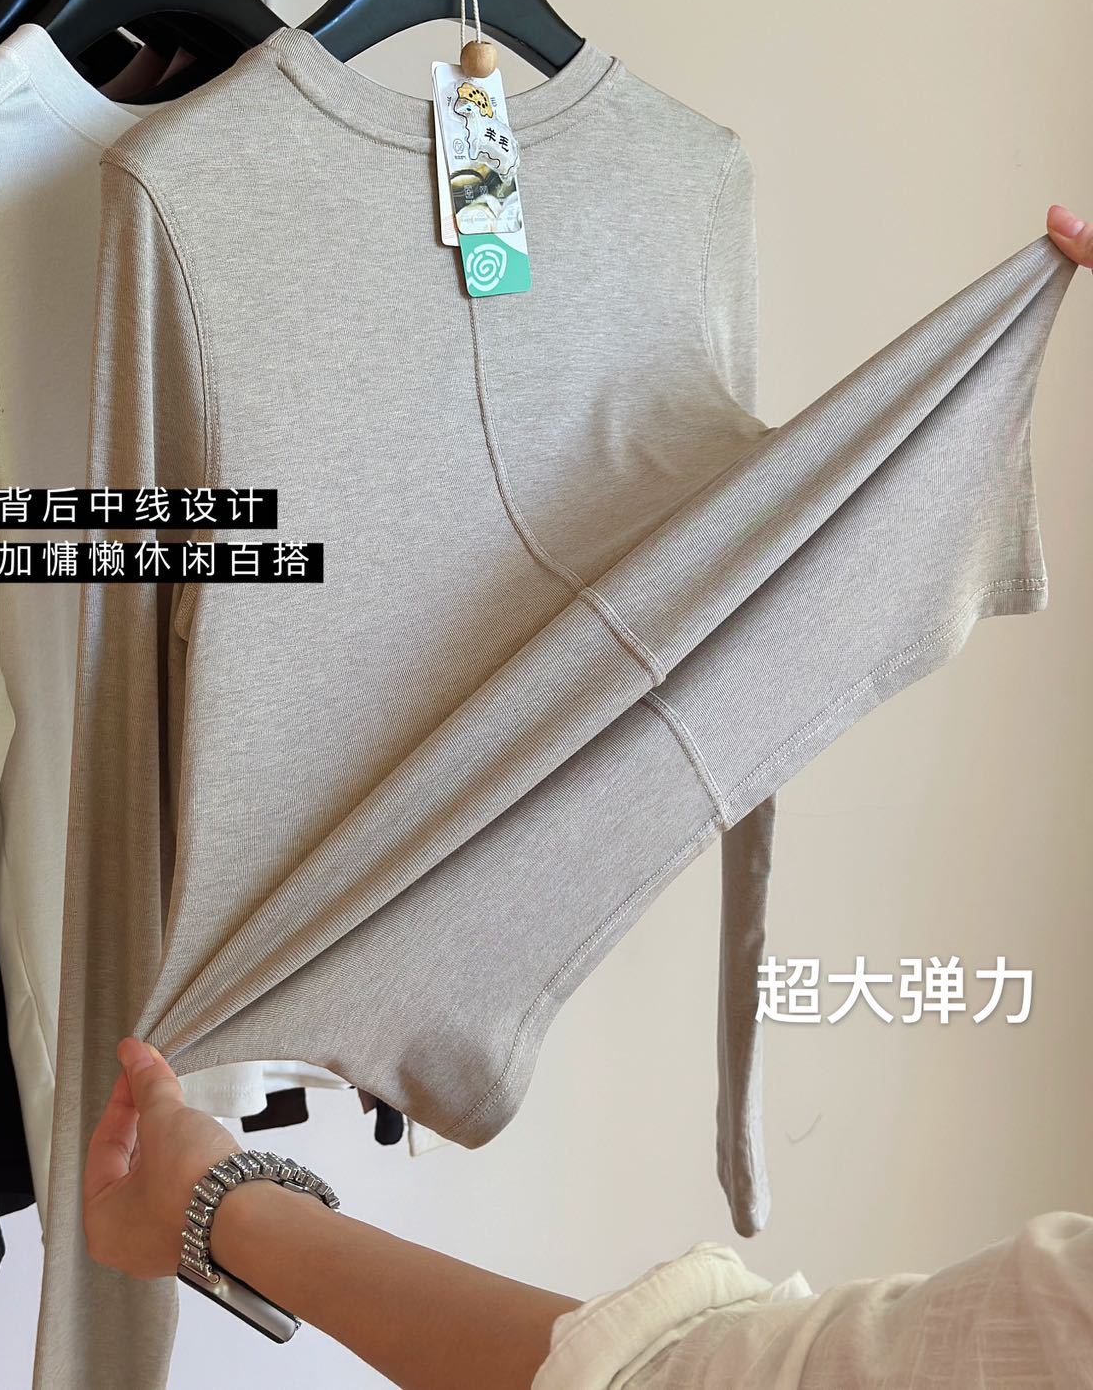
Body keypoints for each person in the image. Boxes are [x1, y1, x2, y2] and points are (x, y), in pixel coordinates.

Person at [83, 208, 1093, 1390]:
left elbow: (742, 565)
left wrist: (214, 1208)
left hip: (242, 967)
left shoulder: (687, 184)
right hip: (242, 943)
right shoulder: (184, 199)